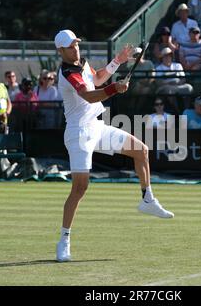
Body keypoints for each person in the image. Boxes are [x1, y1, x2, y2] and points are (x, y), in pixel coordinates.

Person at [54, 30, 174, 262]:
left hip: (96, 127)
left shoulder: (82, 63)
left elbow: (97, 78)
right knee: (80, 188)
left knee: (141, 150)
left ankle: (147, 199)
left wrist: (117, 61)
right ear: (60, 51)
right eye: (70, 47)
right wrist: (113, 89)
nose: (75, 48)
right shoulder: (68, 73)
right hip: (78, 134)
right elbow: (89, 95)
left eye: (76, 44)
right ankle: (64, 239)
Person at [155, 47, 194, 112]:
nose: (167, 57)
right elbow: (159, 82)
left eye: (169, 55)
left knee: (189, 88)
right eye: (165, 55)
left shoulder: (178, 65)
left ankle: (186, 109)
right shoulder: (158, 68)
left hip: (178, 85)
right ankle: (176, 110)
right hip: (166, 87)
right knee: (169, 90)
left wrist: (177, 83)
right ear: (162, 57)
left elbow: (183, 79)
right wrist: (170, 83)